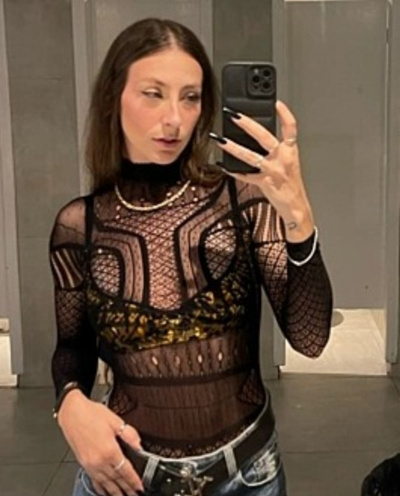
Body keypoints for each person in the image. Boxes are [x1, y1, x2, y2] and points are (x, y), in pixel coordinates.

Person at [49, 17, 333, 496]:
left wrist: (299, 217)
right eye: (153, 94)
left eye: (190, 97)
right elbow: (72, 348)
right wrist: (69, 403)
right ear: (113, 98)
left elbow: (310, 338)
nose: (175, 119)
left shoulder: (243, 199)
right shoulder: (79, 225)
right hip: (124, 477)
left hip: (246, 478)